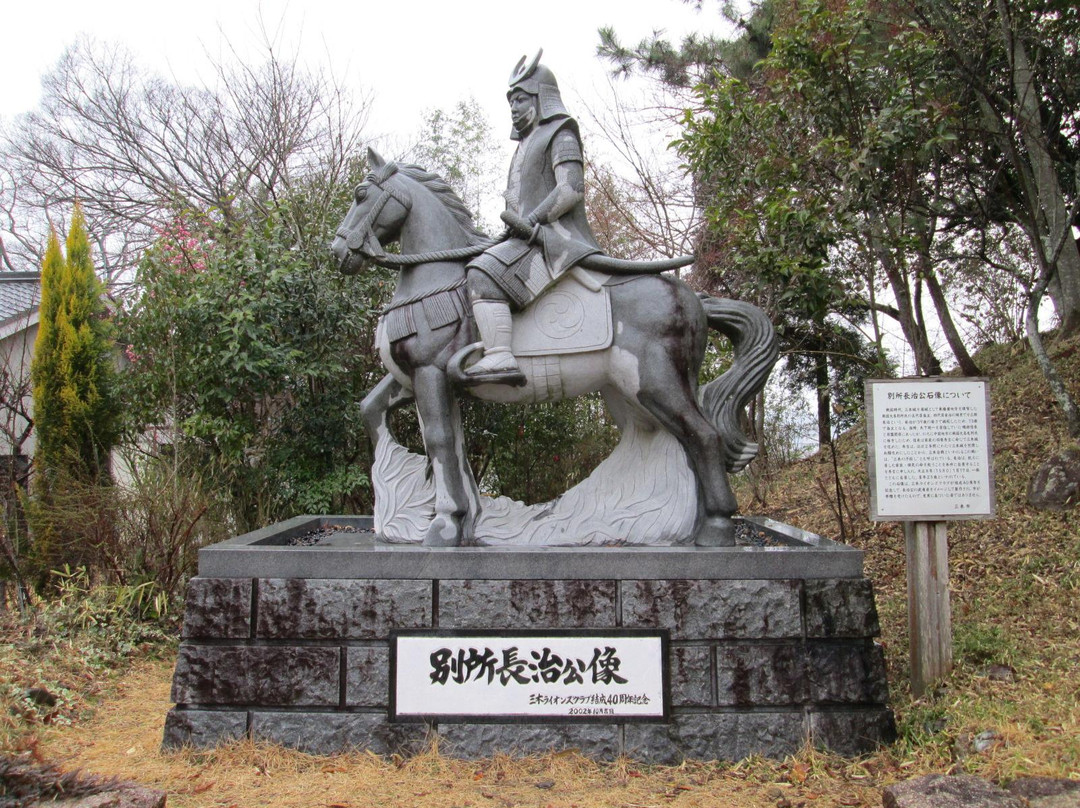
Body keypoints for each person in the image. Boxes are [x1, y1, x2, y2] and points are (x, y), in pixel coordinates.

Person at [463, 50, 601, 385]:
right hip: (525, 237)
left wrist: (534, 220)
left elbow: (571, 188)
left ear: (542, 98)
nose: (513, 107)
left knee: (481, 273)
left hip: (556, 242)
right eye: (510, 100)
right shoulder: (523, 146)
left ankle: (499, 356)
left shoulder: (561, 133)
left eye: (520, 99)